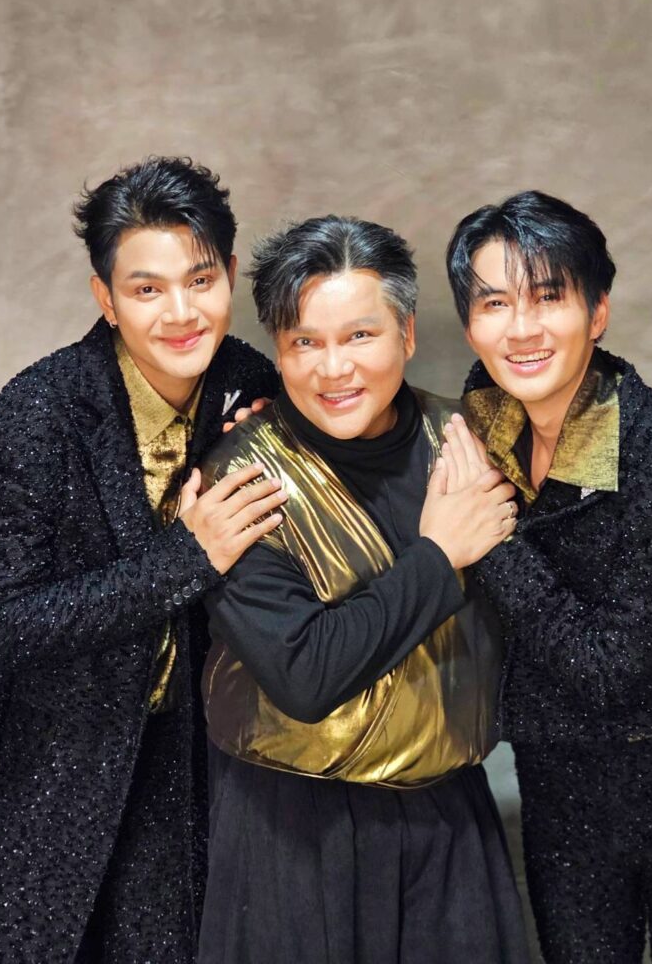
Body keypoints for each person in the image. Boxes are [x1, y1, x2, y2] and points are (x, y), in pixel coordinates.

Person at [0, 156, 285, 964]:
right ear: (106, 299)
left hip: (205, 771)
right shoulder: (34, 418)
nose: (181, 313)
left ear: (230, 275)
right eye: (147, 289)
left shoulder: (251, 384)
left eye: (200, 280)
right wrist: (186, 557)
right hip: (56, 775)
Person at [197, 215, 531, 964]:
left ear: (406, 335)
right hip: (290, 827)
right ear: (277, 349)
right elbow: (305, 675)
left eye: (359, 336)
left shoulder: (471, 441)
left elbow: (585, 554)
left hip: (450, 816)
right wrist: (440, 556)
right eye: (304, 343)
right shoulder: (238, 481)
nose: (333, 368)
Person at [444, 190, 652, 964]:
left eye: (550, 297)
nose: (522, 328)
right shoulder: (478, 420)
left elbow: (607, 671)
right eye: (495, 303)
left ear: (597, 311)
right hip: (556, 785)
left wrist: (487, 533)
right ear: (470, 323)